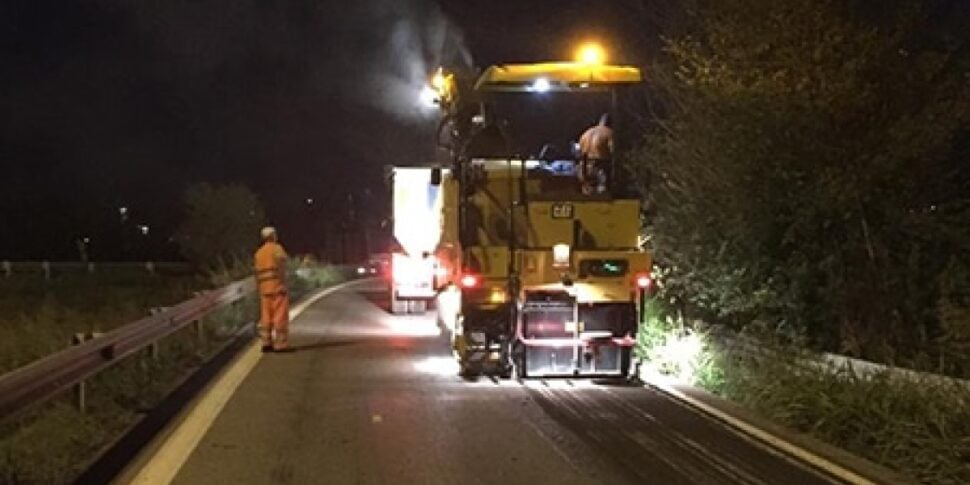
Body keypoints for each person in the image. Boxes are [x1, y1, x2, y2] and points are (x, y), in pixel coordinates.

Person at [254, 226, 290, 352]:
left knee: (266, 317)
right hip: (277, 288)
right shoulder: (277, 249)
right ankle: (280, 345)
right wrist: (283, 284)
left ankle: (266, 343)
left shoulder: (259, 253)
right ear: (273, 236)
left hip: (264, 290)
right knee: (280, 316)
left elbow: (257, 273)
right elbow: (282, 266)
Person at [577, 113, 614, 194]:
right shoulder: (609, 133)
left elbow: (579, 152)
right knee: (602, 196)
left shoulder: (585, 134)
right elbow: (613, 152)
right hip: (600, 167)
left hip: (584, 166)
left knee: (588, 196)